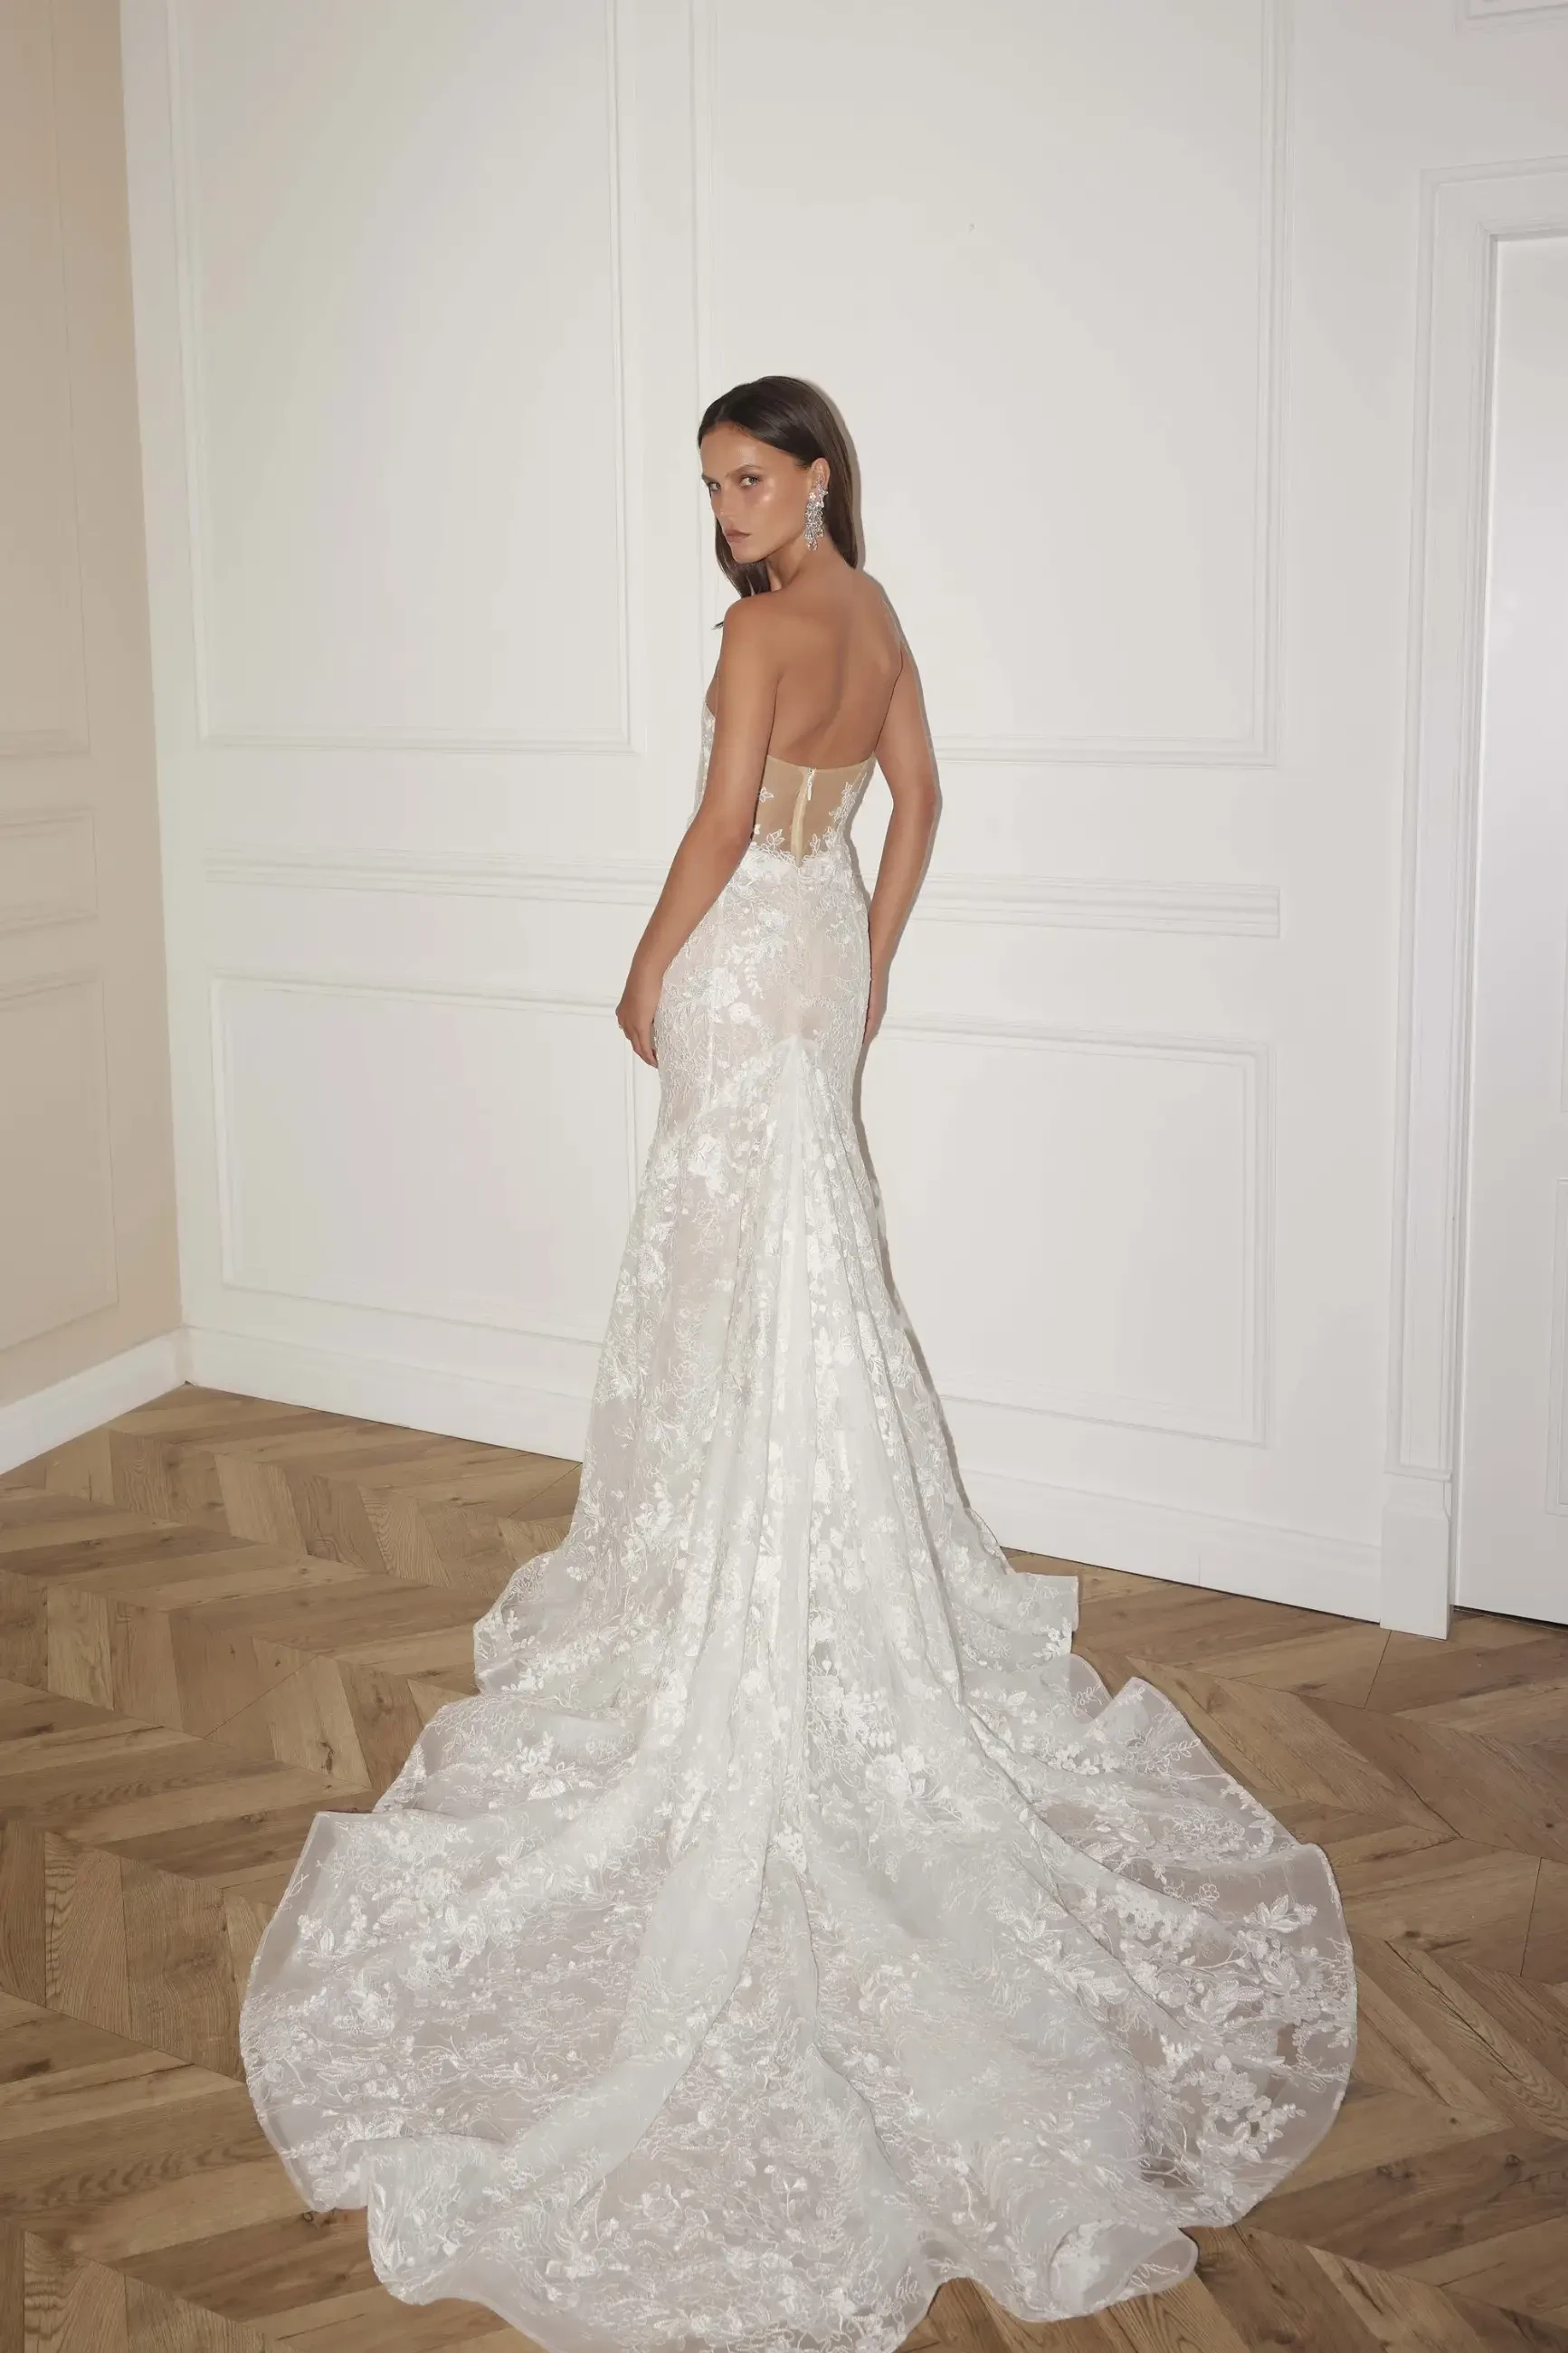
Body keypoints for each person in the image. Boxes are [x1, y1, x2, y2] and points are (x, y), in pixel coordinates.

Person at [239, 376, 1356, 2353]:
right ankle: (793, 1575)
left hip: (746, 950)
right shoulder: (879, 614)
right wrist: (874, 949)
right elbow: (908, 805)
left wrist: (640, 966)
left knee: (743, 1281)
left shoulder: (768, 628)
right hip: (817, 954)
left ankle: (732, 1595)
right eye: (711, 487)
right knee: (801, 1281)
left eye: (749, 476)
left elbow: (713, 815)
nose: (731, 511)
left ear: (812, 469)